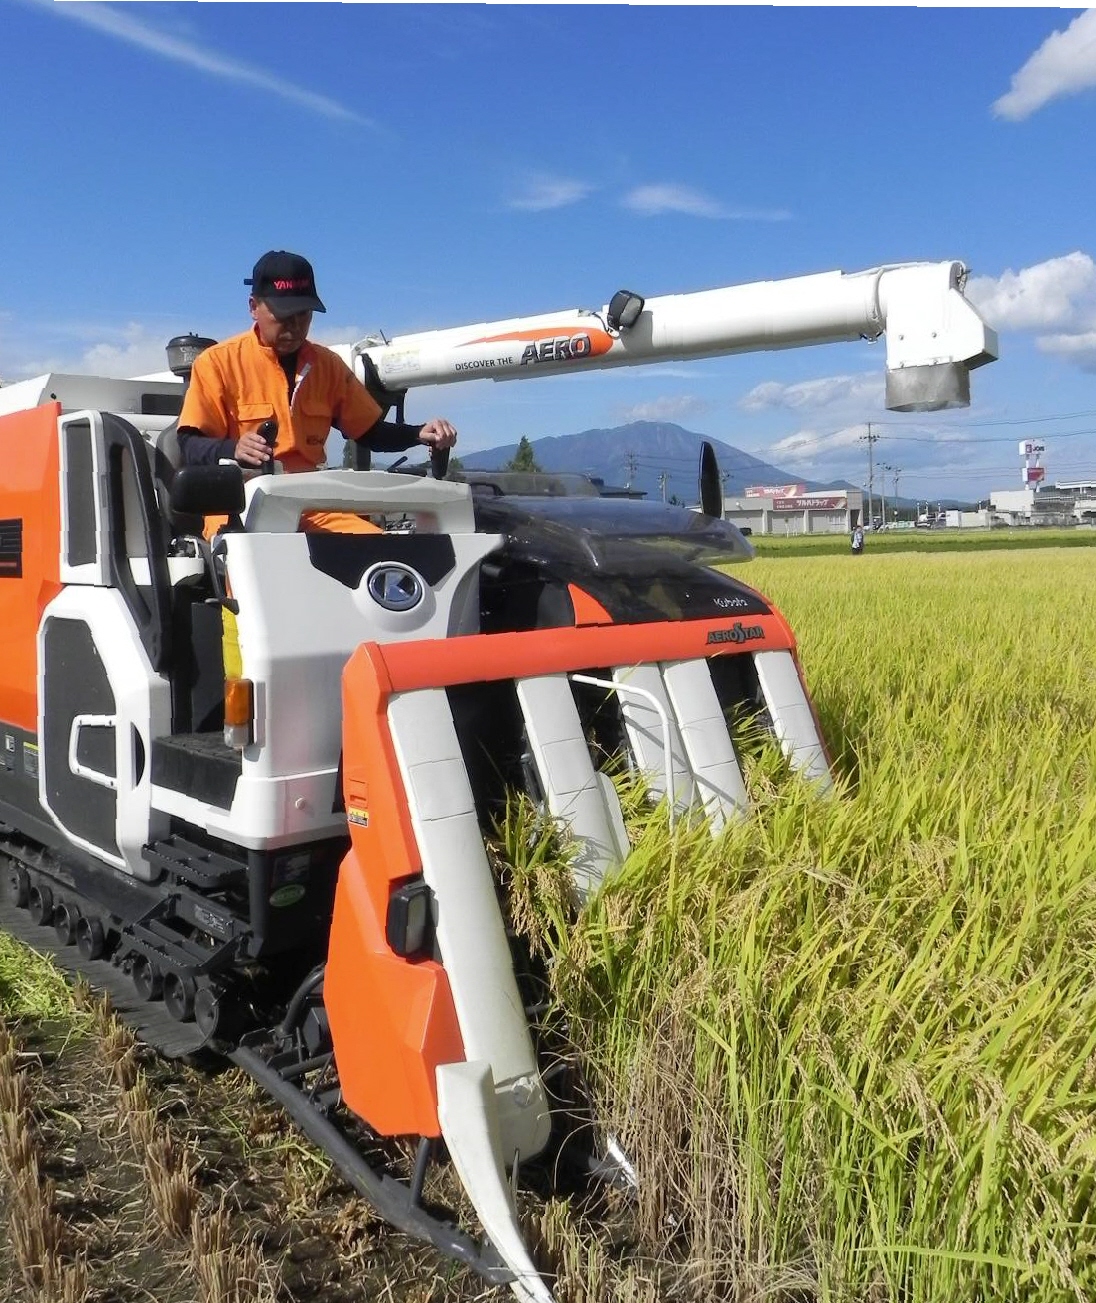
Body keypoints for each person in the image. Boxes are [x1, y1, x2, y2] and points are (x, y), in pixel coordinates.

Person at [177, 250, 457, 531]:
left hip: (309, 505)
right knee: (253, 565)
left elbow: (368, 431)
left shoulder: (327, 366)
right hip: (239, 506)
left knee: (377, 551)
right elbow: (190, 445)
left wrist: (417, 433)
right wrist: (233, 448)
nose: (295, 326)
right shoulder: (217, 363)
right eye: (284, 314)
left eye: (303, 314)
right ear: (253, 307)